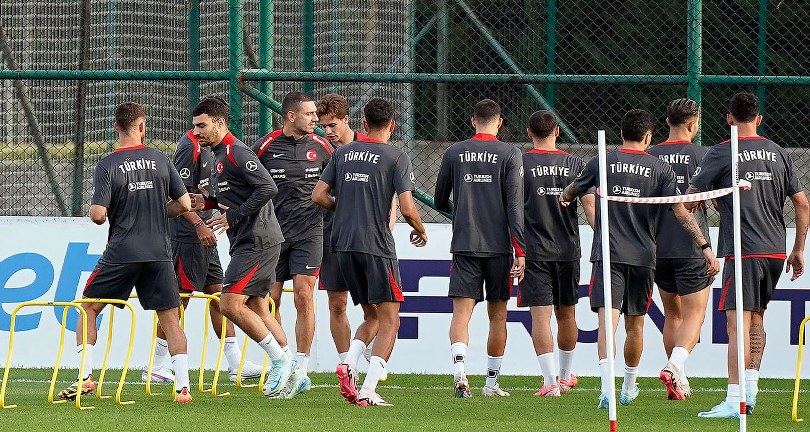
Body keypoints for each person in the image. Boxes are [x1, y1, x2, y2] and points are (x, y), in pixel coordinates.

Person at [560, 109, 719, 409]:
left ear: (621, 134)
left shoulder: (602, 161)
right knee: (635, 325)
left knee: (608, 322)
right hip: (644, 256)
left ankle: (607, 389)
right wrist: (704, 246)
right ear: (648, 137)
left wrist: (565, 196)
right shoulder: (660, 169)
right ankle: (628, 387)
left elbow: (574, 190)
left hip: (609, 254)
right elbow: (680, 210)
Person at [58, 102, 194, 403]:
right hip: (159, 252)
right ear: (142, 127)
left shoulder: (108, 165)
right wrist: (157, 210)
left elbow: (97, 215)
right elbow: (185, 205)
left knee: (88, 308)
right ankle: (183, 388)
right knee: (171, 320)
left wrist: (106, 211)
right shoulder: (161, 159)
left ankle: (85, 378)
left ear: (116, 127)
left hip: (122, 252)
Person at [691, 91, 809, 418]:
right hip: (775, 249)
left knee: (736, 324)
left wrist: (705, 198)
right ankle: (751, 388)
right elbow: (802, 203)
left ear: (729, 118)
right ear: (759, 119)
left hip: (743, 250)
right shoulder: (779, 152)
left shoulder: (721, 151)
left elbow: (691, 197)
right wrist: (798, 248)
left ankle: (734, 398)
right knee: (756, 317)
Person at [313, 97, 428, 407]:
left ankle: (348, 364)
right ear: (392, 125)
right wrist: (420, 229)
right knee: (391, 320)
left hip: (342, 244)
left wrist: (343, 209)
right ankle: (368, 389)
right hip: (375, 245)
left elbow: (318, 195)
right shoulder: (396, 156)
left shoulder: (342, 154)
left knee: (372, 316)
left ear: (363, 124)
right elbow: (407, 208)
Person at [189, 96, 296, 398]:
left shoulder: (236, 151)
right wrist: (206, 202)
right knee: (259, 308)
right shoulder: (217, 155)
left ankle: (279, 361)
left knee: (229, 304)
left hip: (257, 240)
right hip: (248, 240)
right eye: (194, 126)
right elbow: (235, 195)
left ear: (220, 123)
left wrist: (232, 217)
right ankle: (296, 373)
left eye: (201, 125)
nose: (196, 132)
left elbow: (268, 187)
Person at [144, 128, 263, 384]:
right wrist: (198, 225)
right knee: (179, 300)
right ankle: (156, 365)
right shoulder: (190, 147)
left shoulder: (214, 147)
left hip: (205, 235)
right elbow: (178, 195)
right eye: (201, 124)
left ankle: (235, 363)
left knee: (218, 295)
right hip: (188, 236)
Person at [434, 99, 526, 398]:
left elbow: (439, 200)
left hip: (465, 243)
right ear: (499, 122)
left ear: (473, 121)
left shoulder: (454, 151)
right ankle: (490, 383)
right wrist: (521, 250)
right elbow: (514, 206)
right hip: (499, 246)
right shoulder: (510, 153)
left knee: (461, 314)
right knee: (498, 315)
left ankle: (460, 371)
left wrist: (460, 213)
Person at [253, 91, 332, 394]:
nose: (315, 119)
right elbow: (245, 181)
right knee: (269, 300)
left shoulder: (323, 146)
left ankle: (301, 368)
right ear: (290, 116)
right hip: (273, 235)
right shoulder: (264, 146)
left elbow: (337, 185)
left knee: (304, 295)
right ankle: (283, 360)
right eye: (309, 114)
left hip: (310, 233)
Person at [519, 110, 594, 397]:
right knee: (567, 314)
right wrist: (605, 236)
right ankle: (563, 377)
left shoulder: (521, 163)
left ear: (529, 132)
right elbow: (590, 207)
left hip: (534, 250)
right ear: (557, 131)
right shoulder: (575, 163)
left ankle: (550, 382)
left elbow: (512, 208)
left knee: (540, 317)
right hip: (567, 249)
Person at [647, 98, 712, 400]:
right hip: (691, 246)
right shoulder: (704, 156)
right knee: (695, 315)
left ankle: (679, 381)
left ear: (667, 121)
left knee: (672, 314)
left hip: (657, 246)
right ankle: (674, 366)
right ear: (693, 124)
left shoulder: (650, 155)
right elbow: (716, 200)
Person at [315, 93, 369, 362]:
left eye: (332, 125)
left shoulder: (369, 147)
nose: (328, 131)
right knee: (337, 303)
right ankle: (346, 365)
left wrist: (389, 220)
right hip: (332, 234)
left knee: (375, 304)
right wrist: (344, 208)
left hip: (368, 235)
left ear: (346, 120)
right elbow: (318, 195)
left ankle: (370, 346)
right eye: (323, 126)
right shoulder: (322, 152)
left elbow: (391, 190)